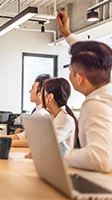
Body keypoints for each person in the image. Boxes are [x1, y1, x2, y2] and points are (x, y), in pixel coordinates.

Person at [58, 11, 112, 173]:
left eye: (70, 71)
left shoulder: (96, 105)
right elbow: (94, 57)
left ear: (79, 78)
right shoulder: (106, 91)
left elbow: (101, 159)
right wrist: (67, 34)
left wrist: (62, 155)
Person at [0, 74, 50, 147]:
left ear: (40, 94)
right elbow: (23, 136)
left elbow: (31, 141)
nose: (29, 91)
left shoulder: (41, 114)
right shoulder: (38, 112)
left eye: (32, 89)